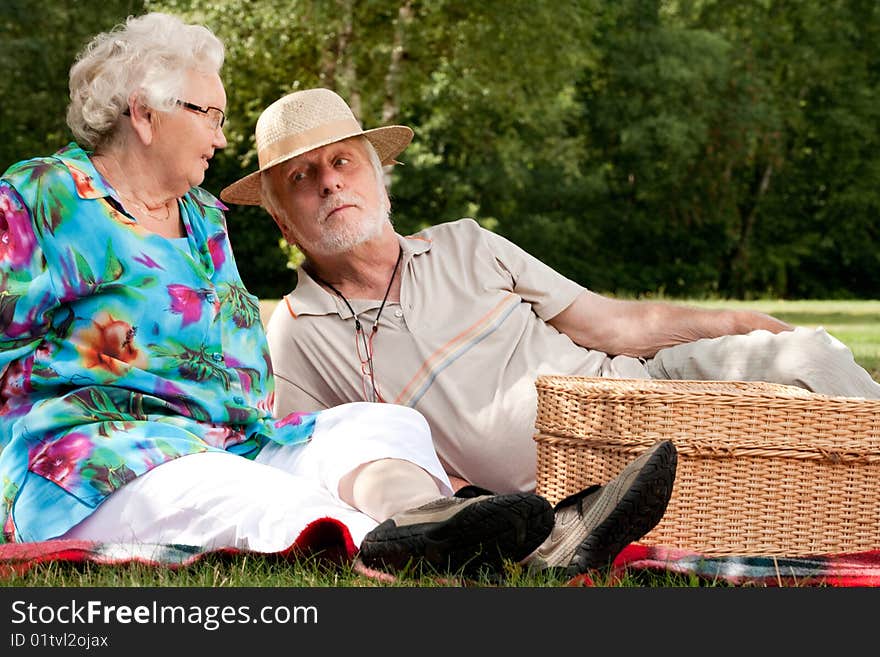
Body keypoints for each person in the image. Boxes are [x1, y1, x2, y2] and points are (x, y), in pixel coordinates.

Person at [0, 13, 676, 580]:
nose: (222, 136)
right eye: (209, 114)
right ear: (145, 115)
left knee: (383, 425)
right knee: (256, 494)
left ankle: (442, 522)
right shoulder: (42, 196)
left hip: (229, 438)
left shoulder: (203, 217)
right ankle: (525, 542)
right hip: (99, 462)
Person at [219, 87, 880, 497]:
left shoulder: (466, 245)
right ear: (282, 218)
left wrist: (736, 322)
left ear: (379, 180)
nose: (330, 182)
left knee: (809, 357)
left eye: (342, 161)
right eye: (303, 176)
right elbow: (303, 456)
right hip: (575, 494)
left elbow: (617, 327)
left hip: (644, 390)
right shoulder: (300, 330)